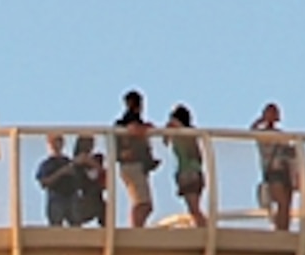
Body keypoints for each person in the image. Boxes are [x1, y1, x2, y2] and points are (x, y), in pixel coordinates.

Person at [112, 91, 156, 228]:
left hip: (132, 166)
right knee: (143, 203)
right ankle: (136, 228)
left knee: (142, 202)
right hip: (133, 165)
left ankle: (137, 226)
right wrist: (145, 130)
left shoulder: (124, 121)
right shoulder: (130, 119)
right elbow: (133, 130)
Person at [251, 102, 296, 233]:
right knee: (281, 202)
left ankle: (284, 229)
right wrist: (261, 120)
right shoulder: (262, 134)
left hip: (285, 171)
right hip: (273, 172)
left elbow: (290, 154)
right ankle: (280, 229)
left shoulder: (281, 134)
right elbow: (251, 131)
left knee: (286, 204)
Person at [165, 104, 207, 224]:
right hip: (194, 172)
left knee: (194, 209)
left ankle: (203, 229)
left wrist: (171, 128)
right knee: (194, 208)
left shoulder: (185, 134)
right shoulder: (191, 134)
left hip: (188, 172)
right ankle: (202, 227)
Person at [35, 133, 81, 226]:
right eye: (53, 142)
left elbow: (79, 180)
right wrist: (60, 173)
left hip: (71, 196)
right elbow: (44, 183)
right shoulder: (47, 164)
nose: (56, 144)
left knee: (76, 226)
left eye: (59, 141)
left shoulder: (69, 162)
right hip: (56, 197)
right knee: (55, 227)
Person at [66, 133, 108, 228]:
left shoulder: (97, 159)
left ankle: (106, 232)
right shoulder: (74, 163)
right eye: (86, 142)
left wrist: (92, 164)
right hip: (80, 198)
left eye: (91, 142)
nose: (89, 145)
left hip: (95, 198)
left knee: (105, 209)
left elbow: (103, 181)